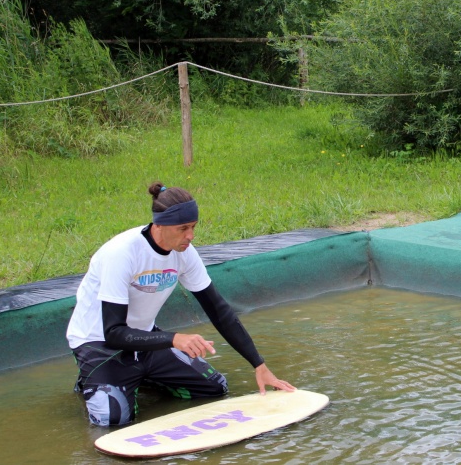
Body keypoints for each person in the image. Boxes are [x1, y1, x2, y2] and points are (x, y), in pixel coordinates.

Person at [66, 182, 295, 426]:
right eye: (183, 228)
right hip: (99, 343)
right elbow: (113, 333)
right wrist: (174, 339)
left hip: (143, 339)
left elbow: (219, 311)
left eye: (194, 227)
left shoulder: (185, 252)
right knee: (112, 420)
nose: (191, 236)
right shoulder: (121, 254)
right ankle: (90, 380)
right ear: (160, 225)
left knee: (214, 388)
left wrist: (259, 365)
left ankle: (141, 377)